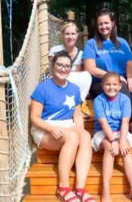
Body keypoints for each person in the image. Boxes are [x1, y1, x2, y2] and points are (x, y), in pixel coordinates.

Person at [30, 50, 95, 202]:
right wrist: (52, 129)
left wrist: (80, 132)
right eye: (59, 64)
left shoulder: (74, 88)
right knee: (72, 137)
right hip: (45, 127)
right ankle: (64, 188)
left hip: (67, 124)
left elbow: (77, 115)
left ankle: (80, 188)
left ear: (70, 68)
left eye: (66, 66)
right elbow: (34, 118)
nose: (63, 68)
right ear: (53, 65)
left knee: (85, 136)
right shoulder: (42, 88)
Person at [82, 8, 132, 141]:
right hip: (101, 81)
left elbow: (129, 62)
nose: (103, 26)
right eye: (100, 24)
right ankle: (131, 127)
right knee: (121, 87)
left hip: (122, 78)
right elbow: (90, 68)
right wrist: (113, 77)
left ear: (112, 23)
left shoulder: (122, 42)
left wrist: (129, 77)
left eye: (106, 23)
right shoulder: (91, 44)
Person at [90, 72, 132, 202]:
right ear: (102, 86)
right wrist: (113, 140)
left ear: (120, 86)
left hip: (121, 131)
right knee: (110, 148)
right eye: (107, 84)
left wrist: (122, 140)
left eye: (114, 84)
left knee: (126, 151)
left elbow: (125, 122)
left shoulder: (124, 99)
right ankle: (105, 192)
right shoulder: (99, 100)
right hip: (103, 131)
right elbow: (103, 123)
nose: (111, 87)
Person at [48, 22, 92, 118]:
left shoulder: (80, 54)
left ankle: (78, 105)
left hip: (70, 81)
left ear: (77, 35)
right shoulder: (55, 50)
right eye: (67, 34)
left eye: (73, 34)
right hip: (56, 79)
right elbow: (54, 71)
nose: (70, 37)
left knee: (86, 75)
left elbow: (78, 73)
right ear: (62, 35)